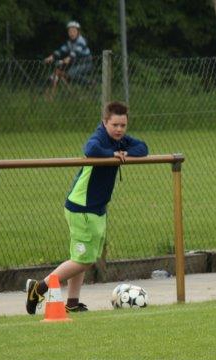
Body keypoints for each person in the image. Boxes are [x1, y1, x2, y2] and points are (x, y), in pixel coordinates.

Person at [24, 101, 148, 315]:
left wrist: (124, 152)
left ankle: (72, 302)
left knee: (80, 258)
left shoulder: (121, 140)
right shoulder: (99, 138)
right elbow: (90, 149)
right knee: (84, 260)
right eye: (115, 125)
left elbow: (143, 148)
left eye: (123, 125)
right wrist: (113, 154)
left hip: (97, 209)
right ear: (104, 122)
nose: (119, 129)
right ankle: (39, 288)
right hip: (82, 208)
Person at [44, 20, 91, 98]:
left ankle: (89, 83)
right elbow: (61, 50)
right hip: (75, 63)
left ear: (78, 32)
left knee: (71, 74)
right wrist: (52, 57)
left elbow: (76, 52)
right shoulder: (69, 42)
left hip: (86, 63)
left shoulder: (81, 40)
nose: (71, 33)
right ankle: (69, 94)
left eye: (74, 31)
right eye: (69, 31)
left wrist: (69, 58)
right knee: (59, 73)